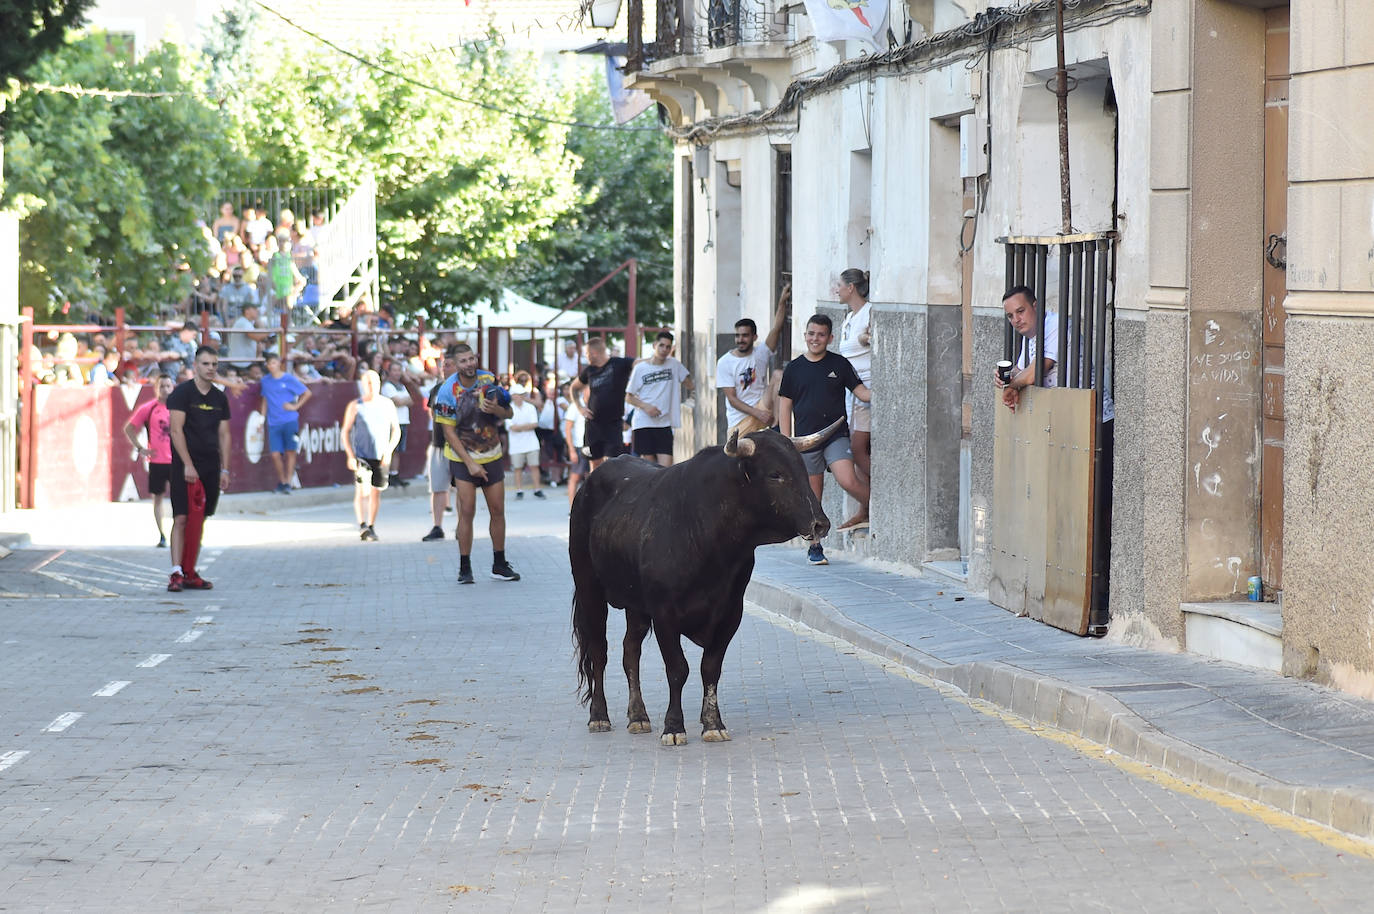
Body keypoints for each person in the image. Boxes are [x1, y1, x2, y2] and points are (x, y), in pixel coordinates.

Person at [995, 283, 1115, 613]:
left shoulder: (1056, 325)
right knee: (1066, 505)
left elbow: (1040, 369)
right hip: (1063, 426)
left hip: (1093, 421)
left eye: (1020, 311)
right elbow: (1023, 372)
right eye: (1010, 316)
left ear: (1035, 306)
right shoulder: (1029, 338)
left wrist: (1013, 384)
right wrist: (1009, 381)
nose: (1016, 320)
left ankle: (1098, 596)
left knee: (1094, 507)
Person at [778, 313, 873, 565]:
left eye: (821, 335)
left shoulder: (839, 364)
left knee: (847, 479)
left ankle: (875, 509)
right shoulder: (794, 369)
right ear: (805, 335)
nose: (815, 339)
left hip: (835, 435)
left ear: (830, 338)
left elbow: (862, 392)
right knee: (813, 497)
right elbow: (785, 406)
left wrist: (882, 393)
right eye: (811, 334)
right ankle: (815, 546)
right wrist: (787, 441)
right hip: (806, 441)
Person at [434, 343, 519, 583]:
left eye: (471, 359)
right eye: (463, 361)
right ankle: (464, 567)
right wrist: (470, 463)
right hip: (463, 457)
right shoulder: (447, 390)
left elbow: (509, 413)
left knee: (498, 510)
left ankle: (499, 563)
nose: (469, 364)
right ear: (455, 364)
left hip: (491, 453)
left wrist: (498, 410)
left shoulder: (488, 380)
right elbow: (448, 433)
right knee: (467, 511)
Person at [166, 346, 231, 592]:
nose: (211, 368)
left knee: (200, 519)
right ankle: (176, 572)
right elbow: (175, 430)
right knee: (181, 517)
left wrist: (225, 470)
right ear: (195, 366)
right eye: (206, 364)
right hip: (184, 465)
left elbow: (225, 435)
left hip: (211, 465)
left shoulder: (219, 398)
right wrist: (188, 465)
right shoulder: (182, 394)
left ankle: (190, 570)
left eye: (214, 364)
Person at [716, 283, 791, 438]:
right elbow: (732, 399)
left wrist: (782, 302)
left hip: (764, 408)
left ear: (754, 337)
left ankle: (777, 428)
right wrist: (757, 414)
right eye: (738, 335)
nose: (740, 339)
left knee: (778, 374)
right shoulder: (725, 362)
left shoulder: (761, 353)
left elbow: (776, 328)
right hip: (741, 420)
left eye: (745, 335)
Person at [340, 370, 400, 542]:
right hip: (362, 455)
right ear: (363, 385)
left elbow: (396, 429)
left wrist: (388, 451)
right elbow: (345, 431)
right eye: (368, 383)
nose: (371, 386)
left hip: (381, 454)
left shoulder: (387, 404)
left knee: (376, 491)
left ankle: (372, 525)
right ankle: (362, 524)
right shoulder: (356, 405)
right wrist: (350, 455)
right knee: (362, 490)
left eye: (374, 382)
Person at [625, 331, 694, 467]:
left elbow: (690, 384)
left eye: (668, 347)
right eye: (661, 345)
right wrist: (646, 406)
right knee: (649, 470)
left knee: (665, 469)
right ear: (654, 345)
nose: (664, 350)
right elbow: (628, 397)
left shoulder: (674, 364)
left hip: (664, 424)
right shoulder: (640, 368)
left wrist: (694, 393)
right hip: (643, 423)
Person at [123, 374, 176, 547]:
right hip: (157, 461)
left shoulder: (179, 409)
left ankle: (180, 534)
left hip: (176, 461)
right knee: (158, 499)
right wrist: (140, 448)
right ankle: (162, 534)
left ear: (173, 387)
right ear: (156, 388)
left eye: (168, 386)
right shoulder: (149, 408)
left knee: (180, 500)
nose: (165, 390)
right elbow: (129, 428)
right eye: (162, 386)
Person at [569, 338, 636, 471]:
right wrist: (580, 408)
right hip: (593, 425)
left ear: (594, 353)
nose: (585, 356)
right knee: (594, 464)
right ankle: (596, 491)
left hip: (613, 424)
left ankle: (610, 491)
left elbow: (640, 363)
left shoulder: (619, 363)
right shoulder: (589, 370)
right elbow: (574, 388)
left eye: (587, 353)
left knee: (612, 463)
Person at [836, 268, 873, 485]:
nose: (837, 290)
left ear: (850, 288)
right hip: (851, 390)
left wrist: (865, 337)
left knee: (857, 448)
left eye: (839, 285)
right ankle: (864, 507)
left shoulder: (869, 311)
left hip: (866, 389)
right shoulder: (849, 318)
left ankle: (880, 493)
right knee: (858, 447)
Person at [260, 352, 312, 494]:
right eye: (269, 363)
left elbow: (307, 393)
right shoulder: (265, 381)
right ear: (267, 365)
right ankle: (282, 480)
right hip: (273, 422)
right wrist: (261, 419)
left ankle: (287, 482)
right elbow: (264, 399)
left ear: (279, 363)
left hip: (289, 420)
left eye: (274, 363)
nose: (272, 366)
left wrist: (295, 406)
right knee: (275, 454)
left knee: (290, 452)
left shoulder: (289, 379)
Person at [420, 347, 459, 542]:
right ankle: (437, 526)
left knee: (462, 486)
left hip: (458, 444)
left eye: (449, 365)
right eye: (444, 365)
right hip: (438, 444)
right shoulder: (436, 388)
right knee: (437, 487)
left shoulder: (463, 389)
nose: (445, 369)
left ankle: (462, 526)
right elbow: (432, 413)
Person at [379, 359, 414, 490]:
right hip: (392, 421)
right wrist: (403, 400)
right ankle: (385, 476)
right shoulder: (387, 386)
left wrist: (403, 400)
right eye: (394, 370)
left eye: (399, 370)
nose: (397, 373)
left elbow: (410, 400)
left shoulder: (401, 386)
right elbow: (398, 401)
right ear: (389, 372)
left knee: (398, 451)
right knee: (390, 450)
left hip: (403, 420)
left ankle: (395, 475)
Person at [506, 383, 544, 499]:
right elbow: (512, 427)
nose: (519, 397)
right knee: (517, 468)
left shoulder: (530, 407)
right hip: (516, 444)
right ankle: (519, 490)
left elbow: (534, 424)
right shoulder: (508, 409)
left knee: (534, 466)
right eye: (517, 395)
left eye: (521, 394)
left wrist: (520, 427)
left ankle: (537, 489)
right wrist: (525, 426)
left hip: (531, 443)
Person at [561, 384, 589, 511]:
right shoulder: (575, 406)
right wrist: (571, 449)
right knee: (575, 477)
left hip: (592, 446)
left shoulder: (595, 404)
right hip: (579, 446)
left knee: (591, 477)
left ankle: (589, 508)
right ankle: (572, 508)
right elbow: (567, 428)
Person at [227, 301, 269, 371]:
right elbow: (257, 337)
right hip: (240, 364)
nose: (257, 311)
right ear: (247, 311)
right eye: (254, 309)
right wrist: (272, 331)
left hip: (243, 363)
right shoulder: (243, 322)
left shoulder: (245, 322)